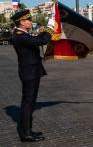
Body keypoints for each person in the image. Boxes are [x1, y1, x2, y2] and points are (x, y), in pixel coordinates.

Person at [11, 9, 54, 142]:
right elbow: (41, 41)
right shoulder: (20, 35)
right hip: (29, 72)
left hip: (31, 71)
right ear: (22, 22)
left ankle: (28, 130)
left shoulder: (22, 34)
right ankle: (25, 134)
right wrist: (50, 27)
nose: (31, 22)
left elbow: (36, 39)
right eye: (28, 20)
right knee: (28, 103)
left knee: (30, 103)